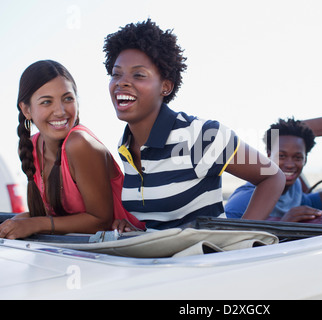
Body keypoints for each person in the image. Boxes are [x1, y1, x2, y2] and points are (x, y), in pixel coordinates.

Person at [104, 19, 285, 231]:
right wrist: (140, 233)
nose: (122, 82)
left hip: (206, 260)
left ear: (166, 86)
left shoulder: (202, 136)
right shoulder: (125, 146)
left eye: (138, 75)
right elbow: (164, 223)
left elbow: (272, 177)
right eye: (116, 74)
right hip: (159, 262)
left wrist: (238, 240)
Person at [0, 60, 145, 240]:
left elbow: (100, 221)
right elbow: (56, 215)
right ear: (26, 109)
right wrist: (16, 223)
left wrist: (35, 223)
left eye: (68, 98)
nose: (60, 111)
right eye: (46, 102)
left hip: (132, 245)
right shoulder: (32, 146)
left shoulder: (79, 143)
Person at [225, 118, 322, 222]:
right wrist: (283, 225)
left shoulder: (294, 188)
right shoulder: (244, 200)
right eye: (282, 156)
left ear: (305, 160)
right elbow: (231, 243)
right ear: (268, 156)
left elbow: (311, 202)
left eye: (297, 157)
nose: (290, 164)